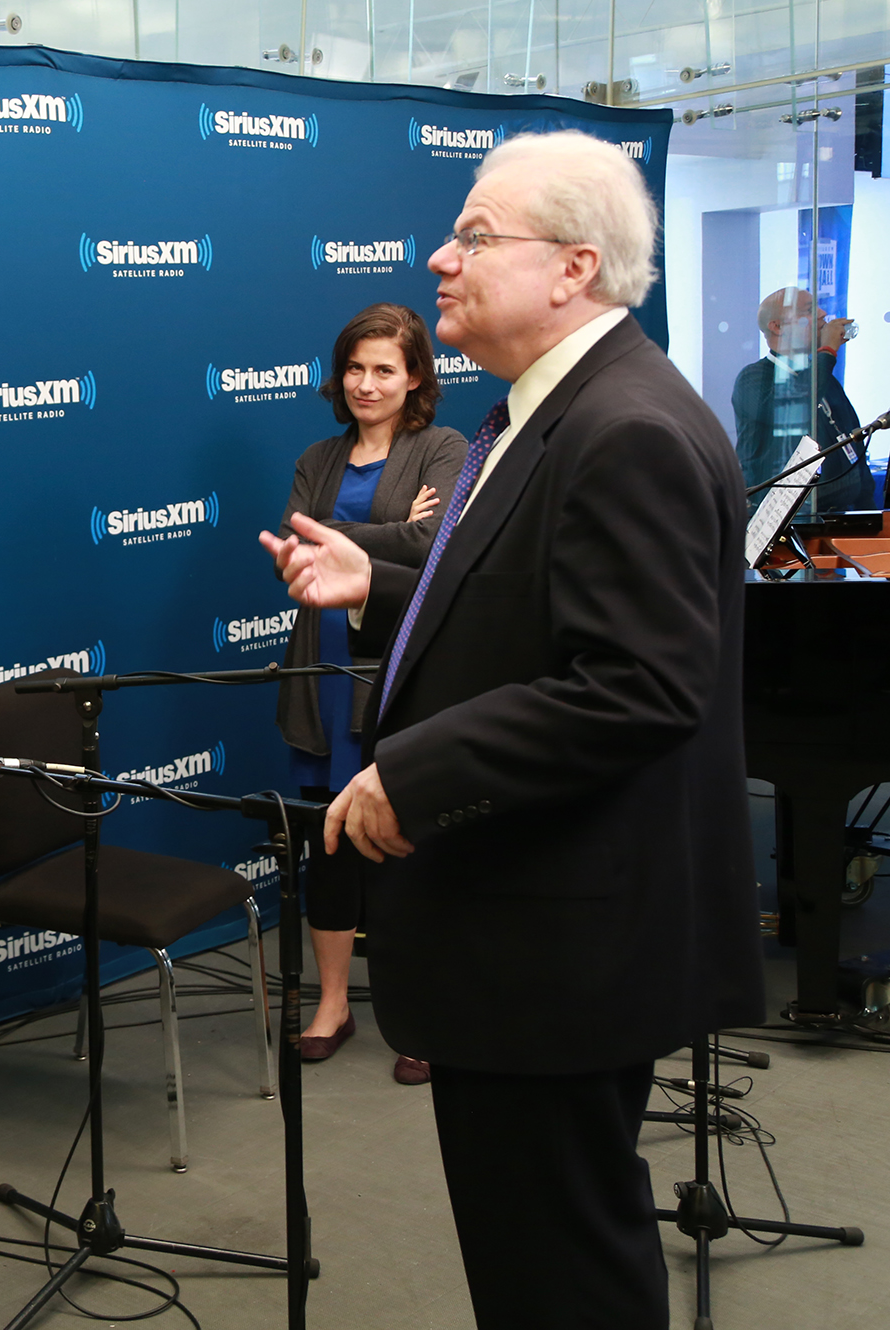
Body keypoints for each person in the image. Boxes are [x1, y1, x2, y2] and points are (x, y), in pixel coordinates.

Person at [260, 130, 763, 1328]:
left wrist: (407, 773)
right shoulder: (543, 412)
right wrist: (374, 582)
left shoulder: (622, 427)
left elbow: (634, 685)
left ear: (571, 268)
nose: (440, 257)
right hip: (535, 936)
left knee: (561, 1272)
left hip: (559, 950)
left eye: (474, 236)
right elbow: (519, 599)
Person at [273, 302, 466, 1084]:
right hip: (320, 672)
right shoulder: (319, 456)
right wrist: (372, 536)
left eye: (384, 368)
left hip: (400, 670)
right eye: (355, 367)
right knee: (330, 845)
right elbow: (293, 545)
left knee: (403, 844)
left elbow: (437, 545)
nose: (366, 383)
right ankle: (332, 1005)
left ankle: (418, 1012)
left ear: (414, 375)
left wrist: (338, 538)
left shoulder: (443, 448)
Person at [731, 286, 874, 512]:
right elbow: (796, 404)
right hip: (791, 519)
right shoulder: (753, 379)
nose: (821, 314)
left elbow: (852, 444)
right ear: (777, 327)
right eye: (808, 310)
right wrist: (827, 351)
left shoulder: (823, 378)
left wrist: (868, 511)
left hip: (843, 517)